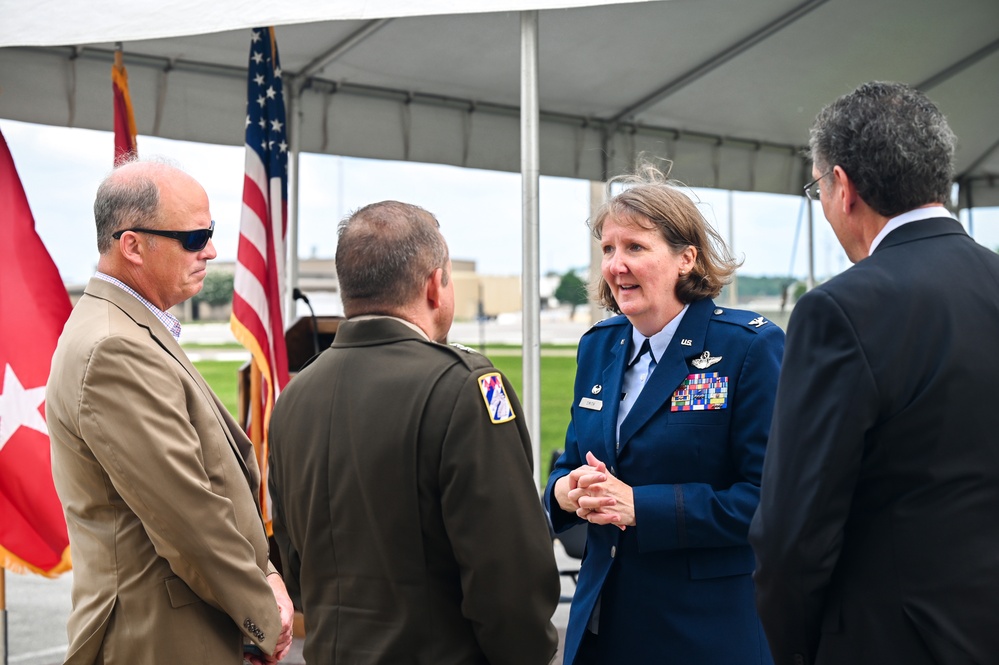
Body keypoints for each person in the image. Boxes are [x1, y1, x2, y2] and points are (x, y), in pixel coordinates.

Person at [749, 81, 999, 665]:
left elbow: (792, 536)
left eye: (817, 189)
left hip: (885, 640)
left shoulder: (839, 309)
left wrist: (797, 651)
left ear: (842, 186)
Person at [267, 200, 560, 665]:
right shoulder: (465, 387)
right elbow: (510, 581)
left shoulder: (294, 395)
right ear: (433, 285)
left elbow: (296, 569)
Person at [46, 159, 294, 665]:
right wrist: (263, 614)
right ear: (132, 245)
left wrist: (265, 571)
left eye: (211, 231)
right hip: (158, 636)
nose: (212, 249)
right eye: (194, 236)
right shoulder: (115, 346)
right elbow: (187, 513)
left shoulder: (129, 327)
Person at [545, 166, 784, 664]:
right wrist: (566, 493)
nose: (615, 265)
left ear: (686, 259)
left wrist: (642, 507)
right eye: (608, 249)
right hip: (601, 631)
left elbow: (769, 501)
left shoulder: (748, 348)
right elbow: (566, 465)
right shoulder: (598, 346)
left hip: (703, 635)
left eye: (635, 247)